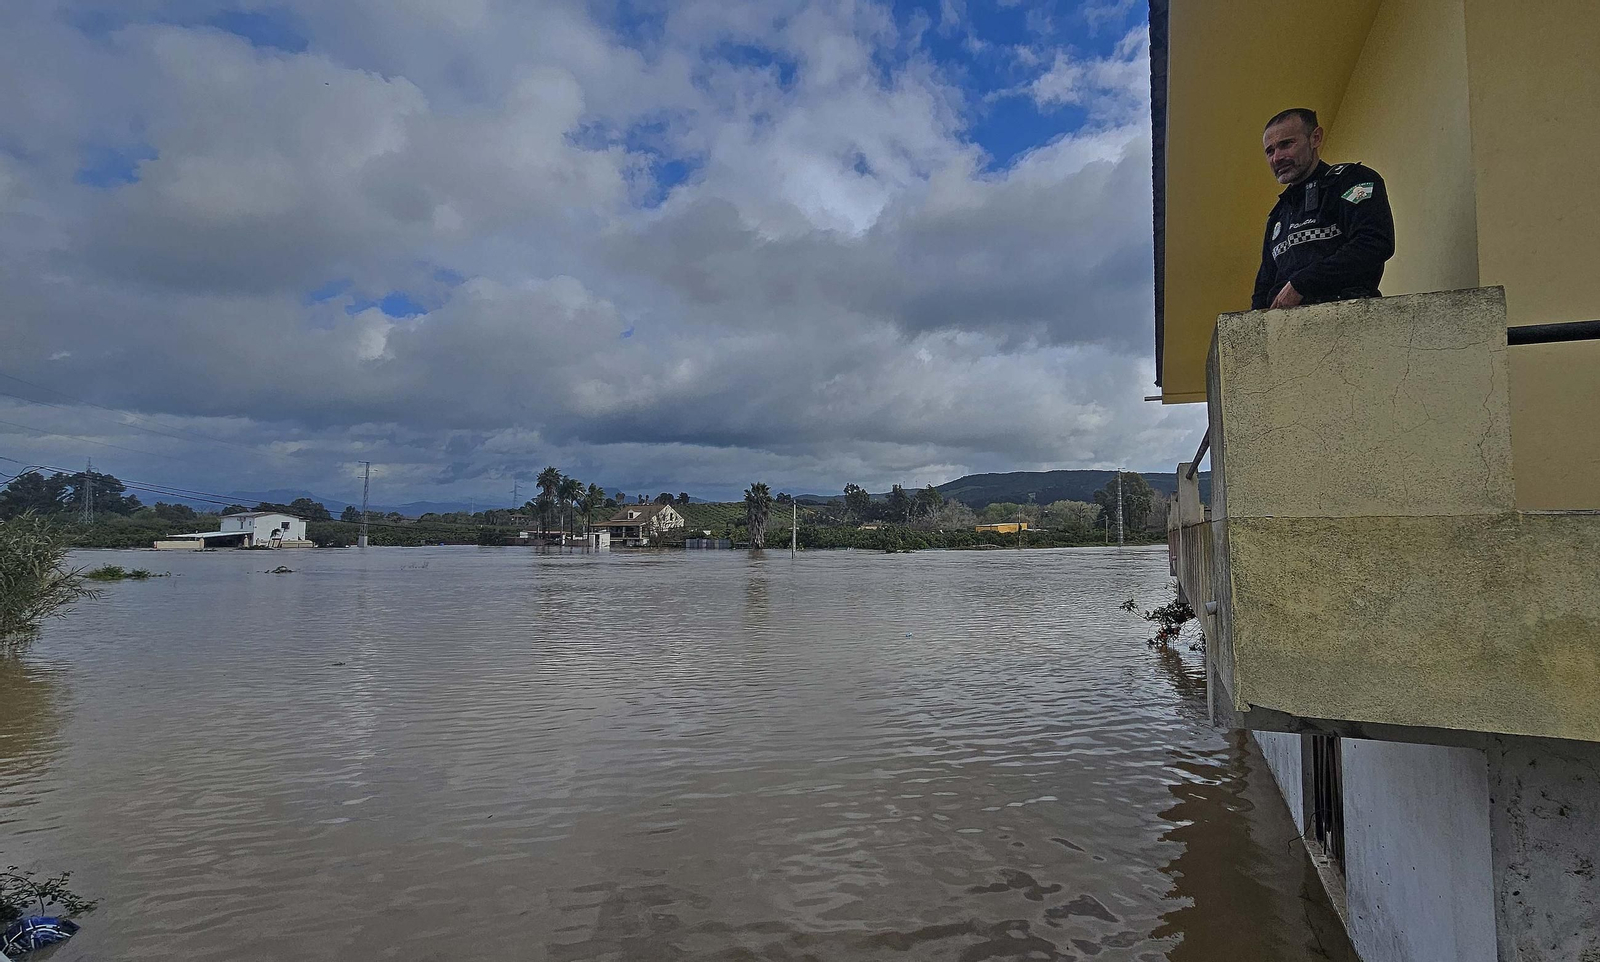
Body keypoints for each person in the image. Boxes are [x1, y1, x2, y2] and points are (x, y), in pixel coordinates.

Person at [1251, 108, 1395, 310]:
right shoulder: (1278, 215)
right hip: (1287, 332)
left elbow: (1374, 243)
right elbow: (1263, 289)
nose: (1277, 158)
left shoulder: (1351, 181)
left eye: (1286, 144)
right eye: (1270, 151)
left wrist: (1301, 284)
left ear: (1315, 138)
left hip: (1350, 316)